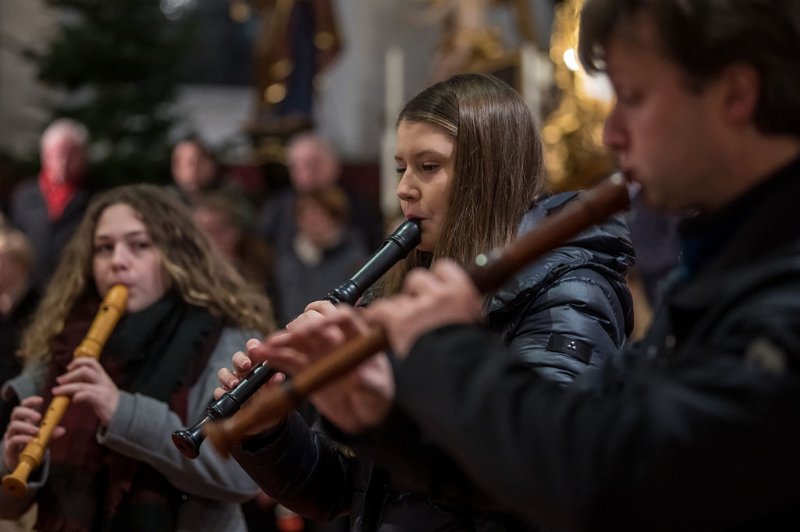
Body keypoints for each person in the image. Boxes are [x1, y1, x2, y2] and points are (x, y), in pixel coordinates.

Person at [261, 0, 800, 529]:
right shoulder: (723, 269)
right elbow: (552, 455)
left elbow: (603, 482)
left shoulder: (776, 289)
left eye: (632, 97)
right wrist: (369, 414)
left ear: (735, 93)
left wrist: (441, 347)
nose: (611, 134)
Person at [220, 72, 635, 530]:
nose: (404, 188)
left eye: (429, 166)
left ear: (488, 174)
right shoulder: (406, 281)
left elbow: (541, 476)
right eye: (401, 168)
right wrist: (269, 432)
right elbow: (348, 491)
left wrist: (412, 370)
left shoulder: (569, 289)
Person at [0, 184, 274, 531]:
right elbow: (9, 507)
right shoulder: (64, 339)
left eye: (139, 245)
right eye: (104, 248)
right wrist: (12, 464)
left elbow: (241, 479)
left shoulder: (222, 337)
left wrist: (122, 412)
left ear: (175, 254)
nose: (117, 261)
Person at [257, 132, 384, 254]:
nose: (305, 175)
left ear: (333, 165)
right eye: (296, 167)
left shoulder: (356, 206)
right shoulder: (278, 207)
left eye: (313, 165)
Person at [10, 118, 94, 290]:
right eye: (57, 153)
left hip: (74, 290)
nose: (63, 160)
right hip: (28, 291)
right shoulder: (24, 195)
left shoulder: (94, 197)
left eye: (71, 153)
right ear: (44, 155)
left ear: (83, 156)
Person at [272, 185, 369, 325]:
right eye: (305, 214)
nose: (312, 220)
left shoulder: (355, 258)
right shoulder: (286, 261)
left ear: (335, 218)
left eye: (319, 214)